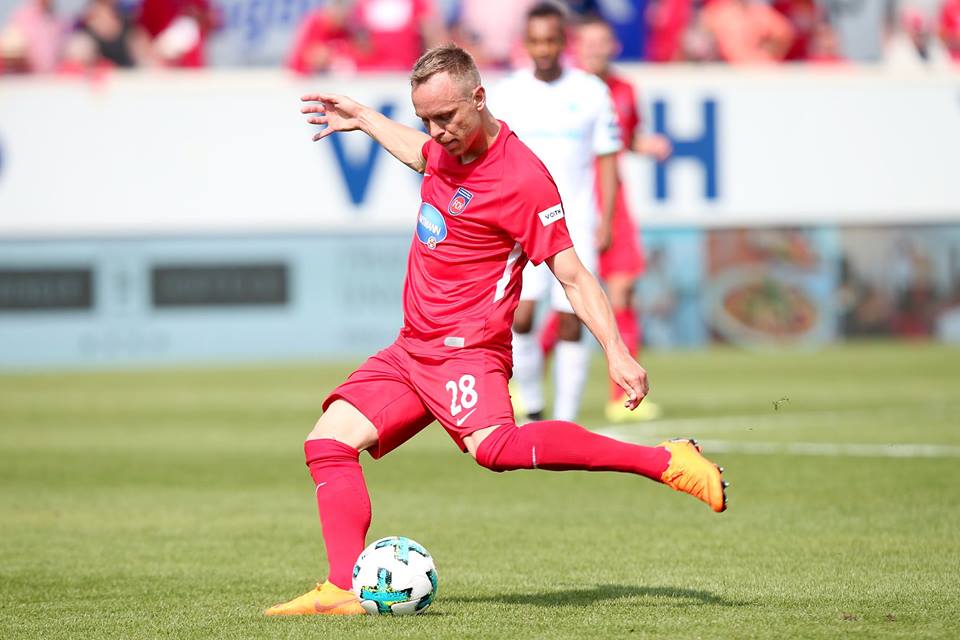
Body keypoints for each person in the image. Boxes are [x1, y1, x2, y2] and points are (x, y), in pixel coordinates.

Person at [264, 43, 727, 616]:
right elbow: (421, 155)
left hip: (466, 352)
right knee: (327, 444)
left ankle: (666, 461)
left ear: (479, 99)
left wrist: (617, 352)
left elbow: (574, 276)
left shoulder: (521, 179)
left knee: (497, 450)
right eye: (426, 119)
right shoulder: (441, 148)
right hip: (411, 349)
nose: (437, 132)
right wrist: (363, 118)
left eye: (447, 118)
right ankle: (341, 588)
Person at [492, 2, 621, 423]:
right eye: (535, 41)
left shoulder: (590, 91)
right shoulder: (509, 92)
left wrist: (606, 218)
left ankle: (565, 420)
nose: (543, 48)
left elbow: (606, 158)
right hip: (522, 222)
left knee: (571, 319)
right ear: (525, 43)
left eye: (550, 40)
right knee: (523, 316)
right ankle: (532, 406)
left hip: (577, 220)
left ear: (563, 42)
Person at [577, 14, 672, 422]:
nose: (596, 49)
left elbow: (622, 139)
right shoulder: (566, 90)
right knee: (563, 300)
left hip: (615, 200)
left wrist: (642, 144)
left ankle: (623, 397)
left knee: (624, 288)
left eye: (603, 42)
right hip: (577, 199)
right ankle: (521, 382)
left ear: (613, 47)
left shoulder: (626, 90)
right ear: (576, 48)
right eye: (589, 42)